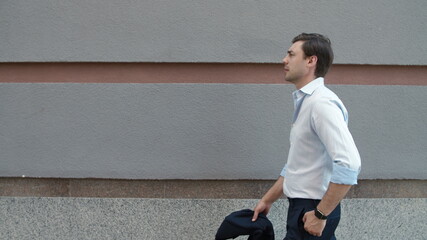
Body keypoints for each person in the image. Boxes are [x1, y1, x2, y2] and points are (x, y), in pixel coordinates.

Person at [252, 33, 361, 239]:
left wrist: (320, 214)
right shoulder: (307, 102)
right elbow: (297, 166)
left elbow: (349, 164)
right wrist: (268, 199)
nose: (284, 60)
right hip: (303, 208)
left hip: (311, 209)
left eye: (291, 55)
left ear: (311, 61)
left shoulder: (321, 104)